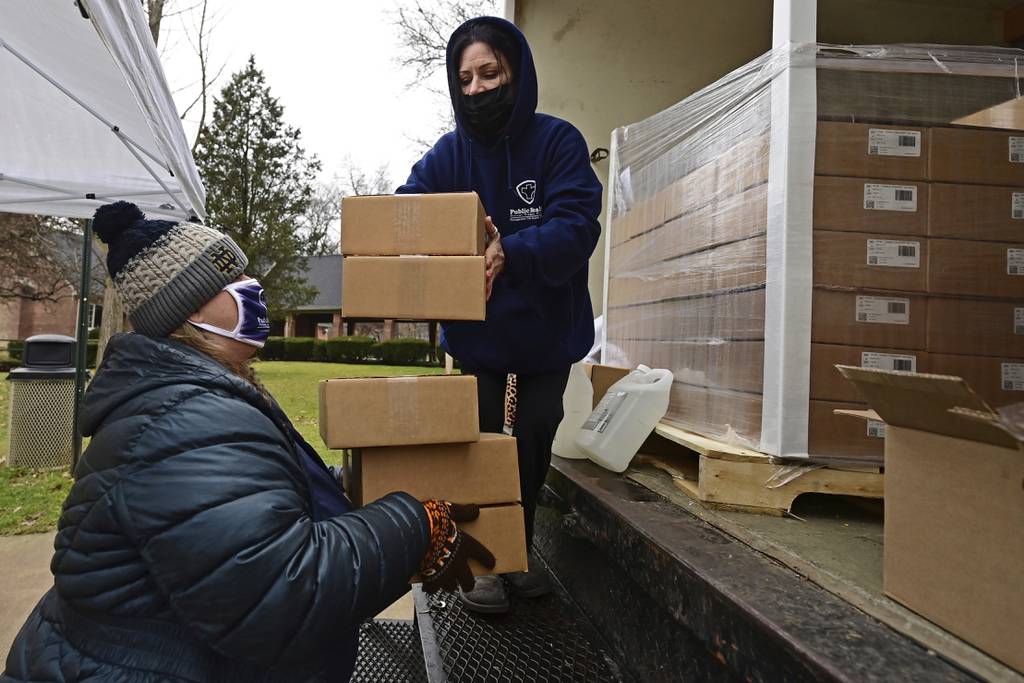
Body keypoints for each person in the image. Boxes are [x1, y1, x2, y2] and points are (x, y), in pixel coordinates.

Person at [2, 202, 493, 683]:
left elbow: (244, 507)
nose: (251, 289)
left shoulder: (191, 396)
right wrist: (415, 527)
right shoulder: (186, 419)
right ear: (186, 310)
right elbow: (282, 591)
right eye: (227, 282)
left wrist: (353, 485)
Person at [398, 16, 603, 614]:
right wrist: (445, 233)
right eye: (465, 79)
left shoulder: (558, 142)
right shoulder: (449, 153)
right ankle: (486, 553)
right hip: (477, 331)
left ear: (516, 73)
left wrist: (510, 249)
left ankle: (523, 543)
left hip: (546, 326)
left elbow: (576, 225)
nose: (478, 89)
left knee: (534, 433)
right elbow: (409, 209)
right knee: (480, 439)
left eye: (490, 73)